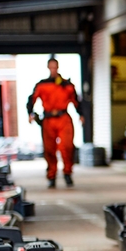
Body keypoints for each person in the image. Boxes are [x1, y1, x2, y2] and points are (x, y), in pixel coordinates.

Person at [27, 57, 84, 189]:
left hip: (63, 118)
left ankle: (67, 173)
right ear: (48, 68)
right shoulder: (42, 85)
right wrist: (30, 113)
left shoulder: (67, 85)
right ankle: (51, 175)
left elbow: (76, 101)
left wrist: (81, 115)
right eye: (51, 67)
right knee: (49, 149)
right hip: (48, 120)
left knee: (67, 147)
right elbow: (32, 99)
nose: (53, 69)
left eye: (55, 67)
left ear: (58, 67)